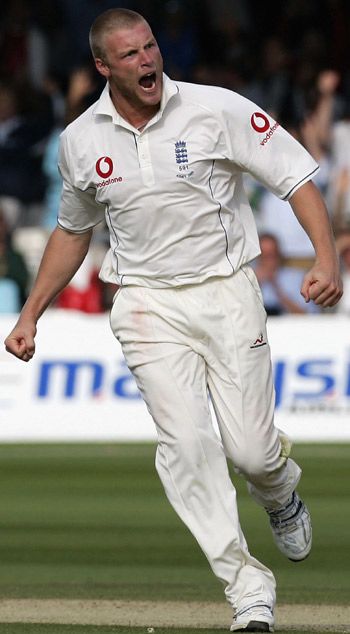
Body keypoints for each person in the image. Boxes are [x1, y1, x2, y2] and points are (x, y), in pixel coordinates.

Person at [4, 9, 342, 633]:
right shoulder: (82, 139)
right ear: (103, 67)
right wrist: (30, 315)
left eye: (152, 47)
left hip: (227, 290)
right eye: (130, 55)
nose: (148, 61)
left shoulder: (216, 108)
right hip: (145, 303)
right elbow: (73, 232)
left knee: (250, 450)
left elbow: (295, 177)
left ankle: (278, 487)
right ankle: (247, 590)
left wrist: (324, 256)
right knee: (185, 445)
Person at [254, 233, 320, 315]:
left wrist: (277, 288)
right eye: (264, 257)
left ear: (279, 254)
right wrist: (256, 284)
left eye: (272, 255)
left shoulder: (297, 278)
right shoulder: (249, 279)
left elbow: (308, 315)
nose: (268, 262)